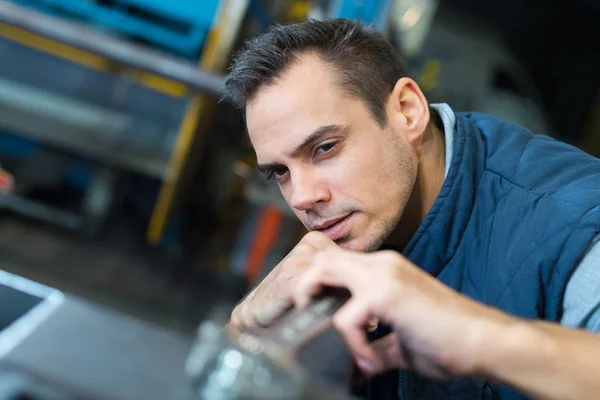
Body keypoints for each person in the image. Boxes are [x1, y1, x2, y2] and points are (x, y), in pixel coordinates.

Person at [222, 18, 600, 400]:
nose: (302, 197)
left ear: (407, 111)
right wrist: (246, 335)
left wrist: (474, 336)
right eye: (280, 172)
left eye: (324, 148)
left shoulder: (574, 224)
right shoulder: (361, 230)